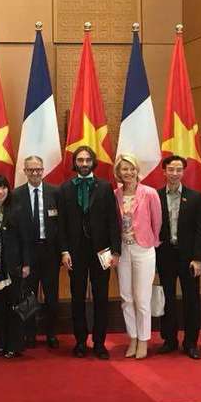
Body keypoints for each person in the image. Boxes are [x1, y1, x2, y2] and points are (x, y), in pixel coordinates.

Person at [58, 146, 121, 359]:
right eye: (80, 160)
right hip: (75, 252)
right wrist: (64, 251)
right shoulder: (65, 189)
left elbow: (113, 221)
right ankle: (80, 342)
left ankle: (100, 343)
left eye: (87, 160)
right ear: (75, 163)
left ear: (93, 162)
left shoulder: (105, 187)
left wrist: (115, 251)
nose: (84, 164)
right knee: (77, 298)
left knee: (101, 297)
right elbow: (61, 224)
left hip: (102, 251)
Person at [155, 155, 201, 360]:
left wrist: (198, 258)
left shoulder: (195, 197)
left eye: (179, 170)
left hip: (189, 258)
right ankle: (169, 340)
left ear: (183, 172)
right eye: (171, 169)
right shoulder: (155, 196)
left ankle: (191, 343)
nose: (175, 173)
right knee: (167, 298)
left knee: (191, 299)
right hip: (165, 255)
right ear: (164, 172)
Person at [114, 154, 162, 360]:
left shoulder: (149, 193)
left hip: (144, 249)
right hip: (123, 250)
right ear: (118, 172)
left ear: (137, 170)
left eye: (131, 168)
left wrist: (152, 241)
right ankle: (132, 338)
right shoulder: (115, 194)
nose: (128, 172)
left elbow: (157, 221)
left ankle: (143, 339)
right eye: (124, 169)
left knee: (142, 298)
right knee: (126, 297)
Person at [12, 155, 61, 349]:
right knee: (28, 295)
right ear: (24, 171)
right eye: (31, 170)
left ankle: (51, 333)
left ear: (43, 170)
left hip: (50, 252)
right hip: (28, 254)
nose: (35, 173)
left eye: (38, 169)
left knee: (51, 296)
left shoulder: (55, 192)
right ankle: (29, 334)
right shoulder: (16, 194)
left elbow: (62, 224)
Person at [0, 174, 29, 358]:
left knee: (14, 306)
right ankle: (1, 344)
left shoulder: (17, 209)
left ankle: (14, 345)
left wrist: (26, 264)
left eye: (3, 188)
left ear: (8, 190)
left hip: (14, 266)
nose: (0, 191)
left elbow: (25, 239)